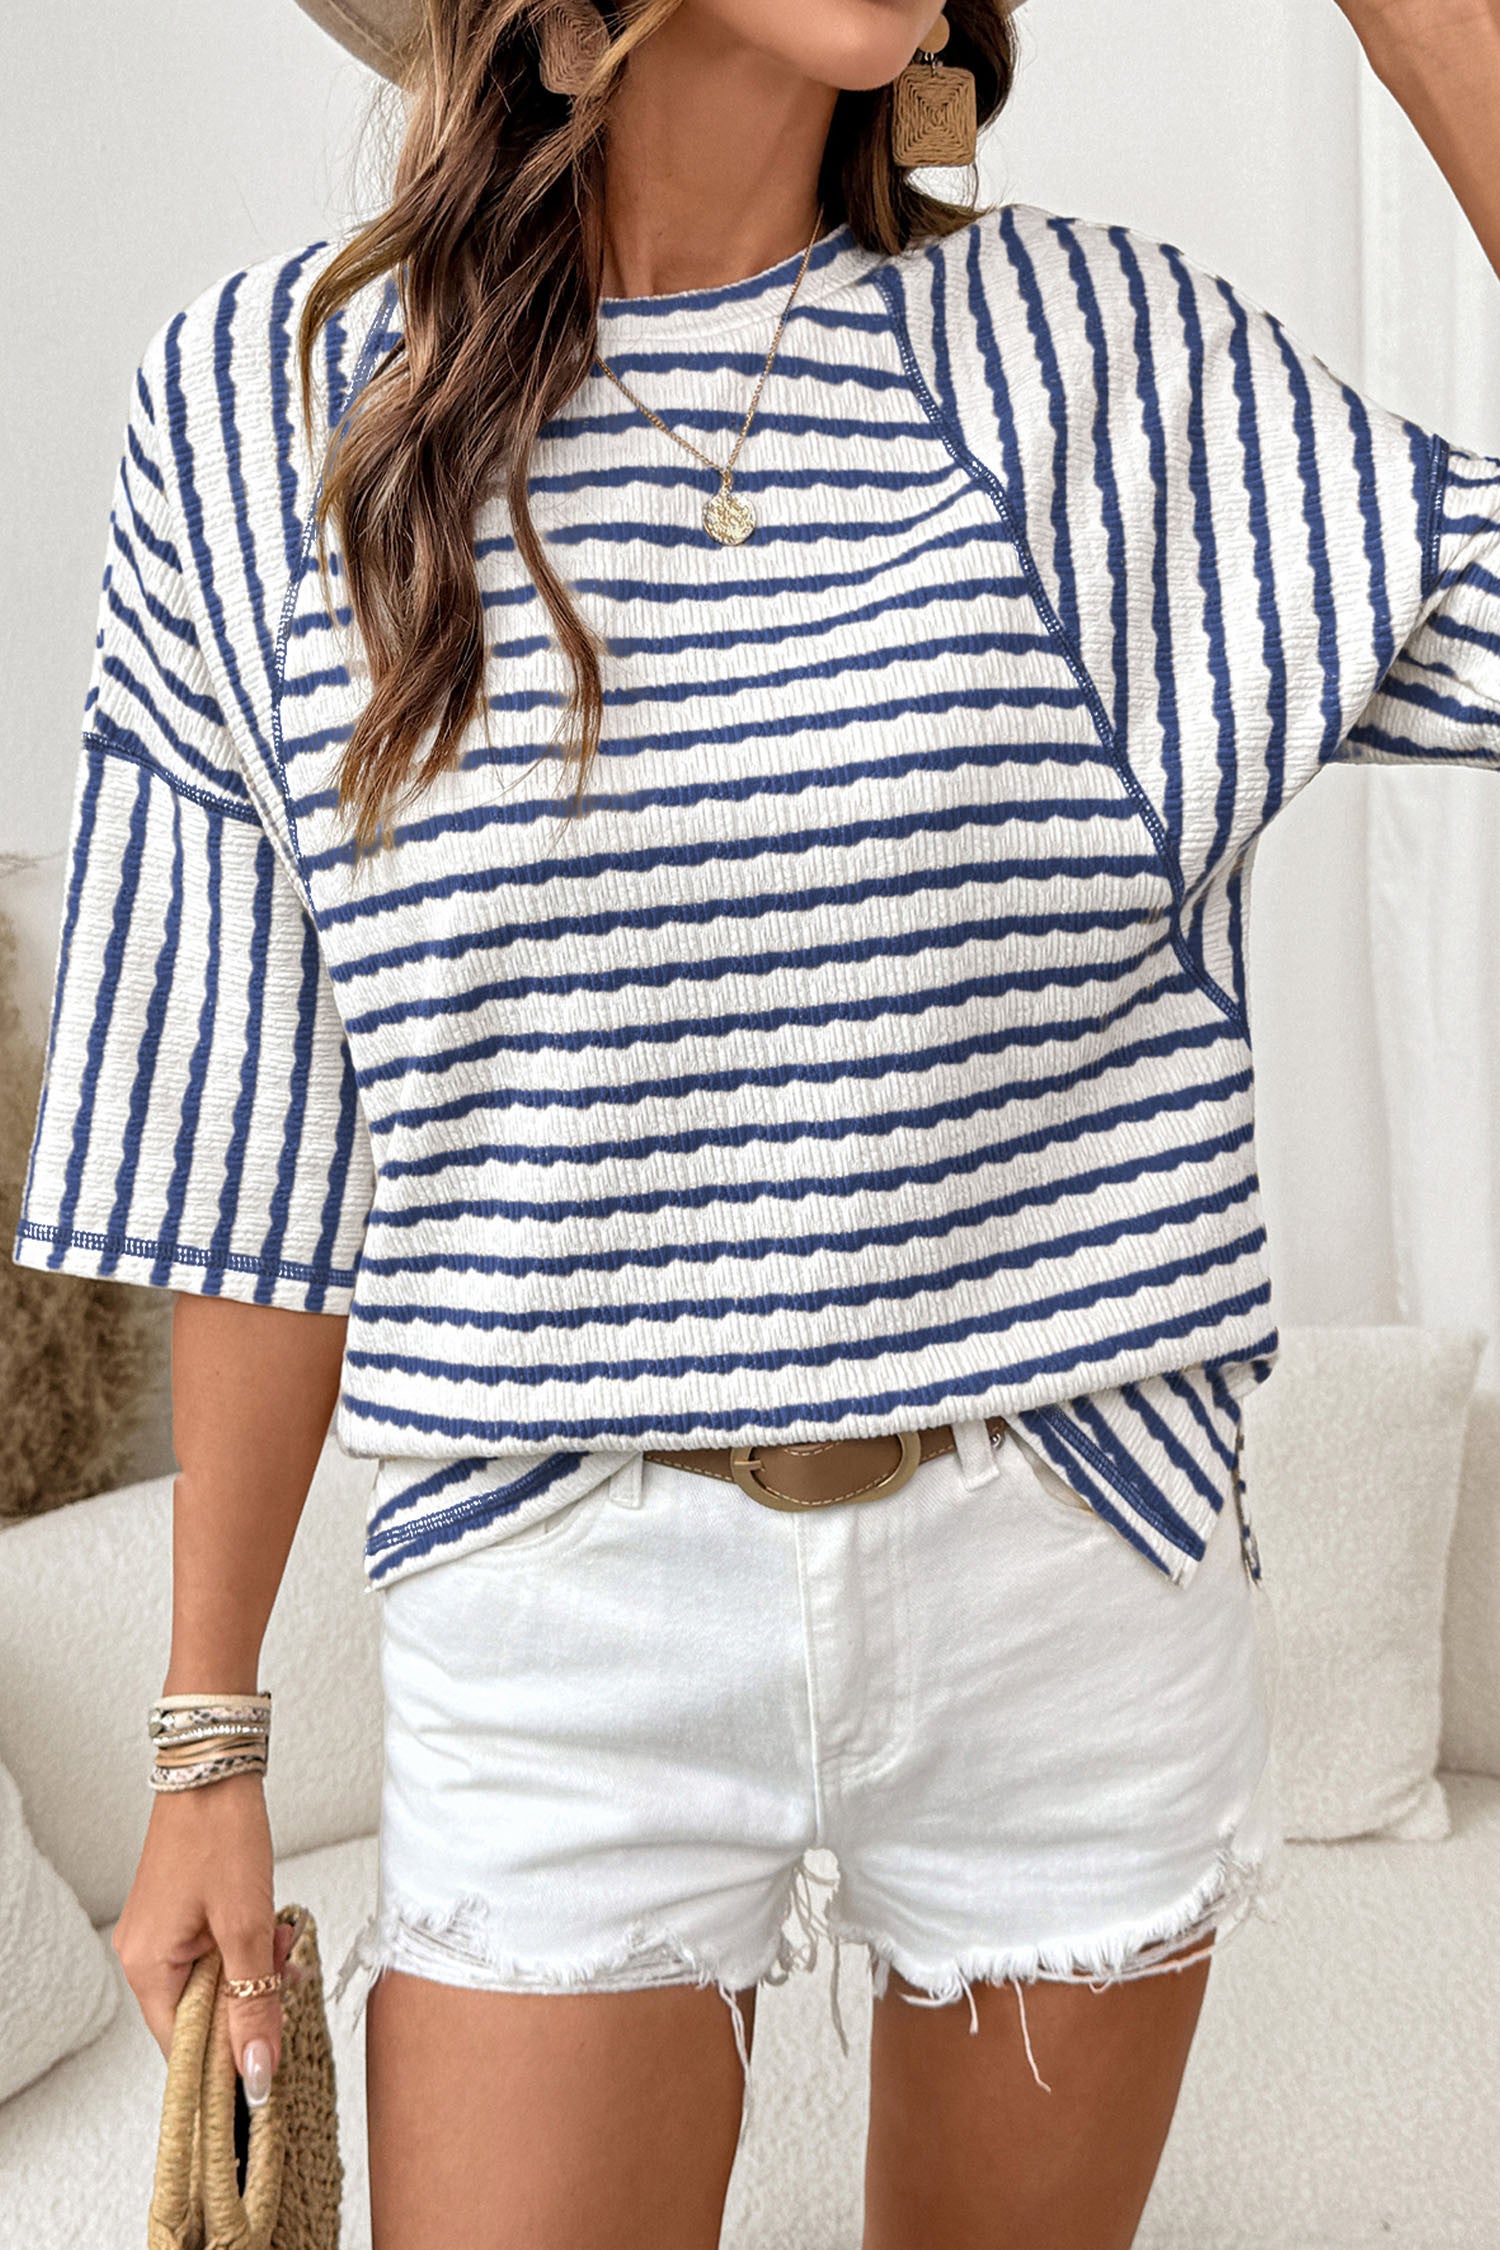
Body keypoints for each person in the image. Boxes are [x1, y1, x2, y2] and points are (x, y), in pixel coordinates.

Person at [12, 2, 1499, 2243]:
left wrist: (1433, 31)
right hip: (559, 1600)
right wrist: (206, 1736)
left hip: (1060, 1563)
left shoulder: (1082, 364)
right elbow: (248, 1138)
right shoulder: (264, 411)